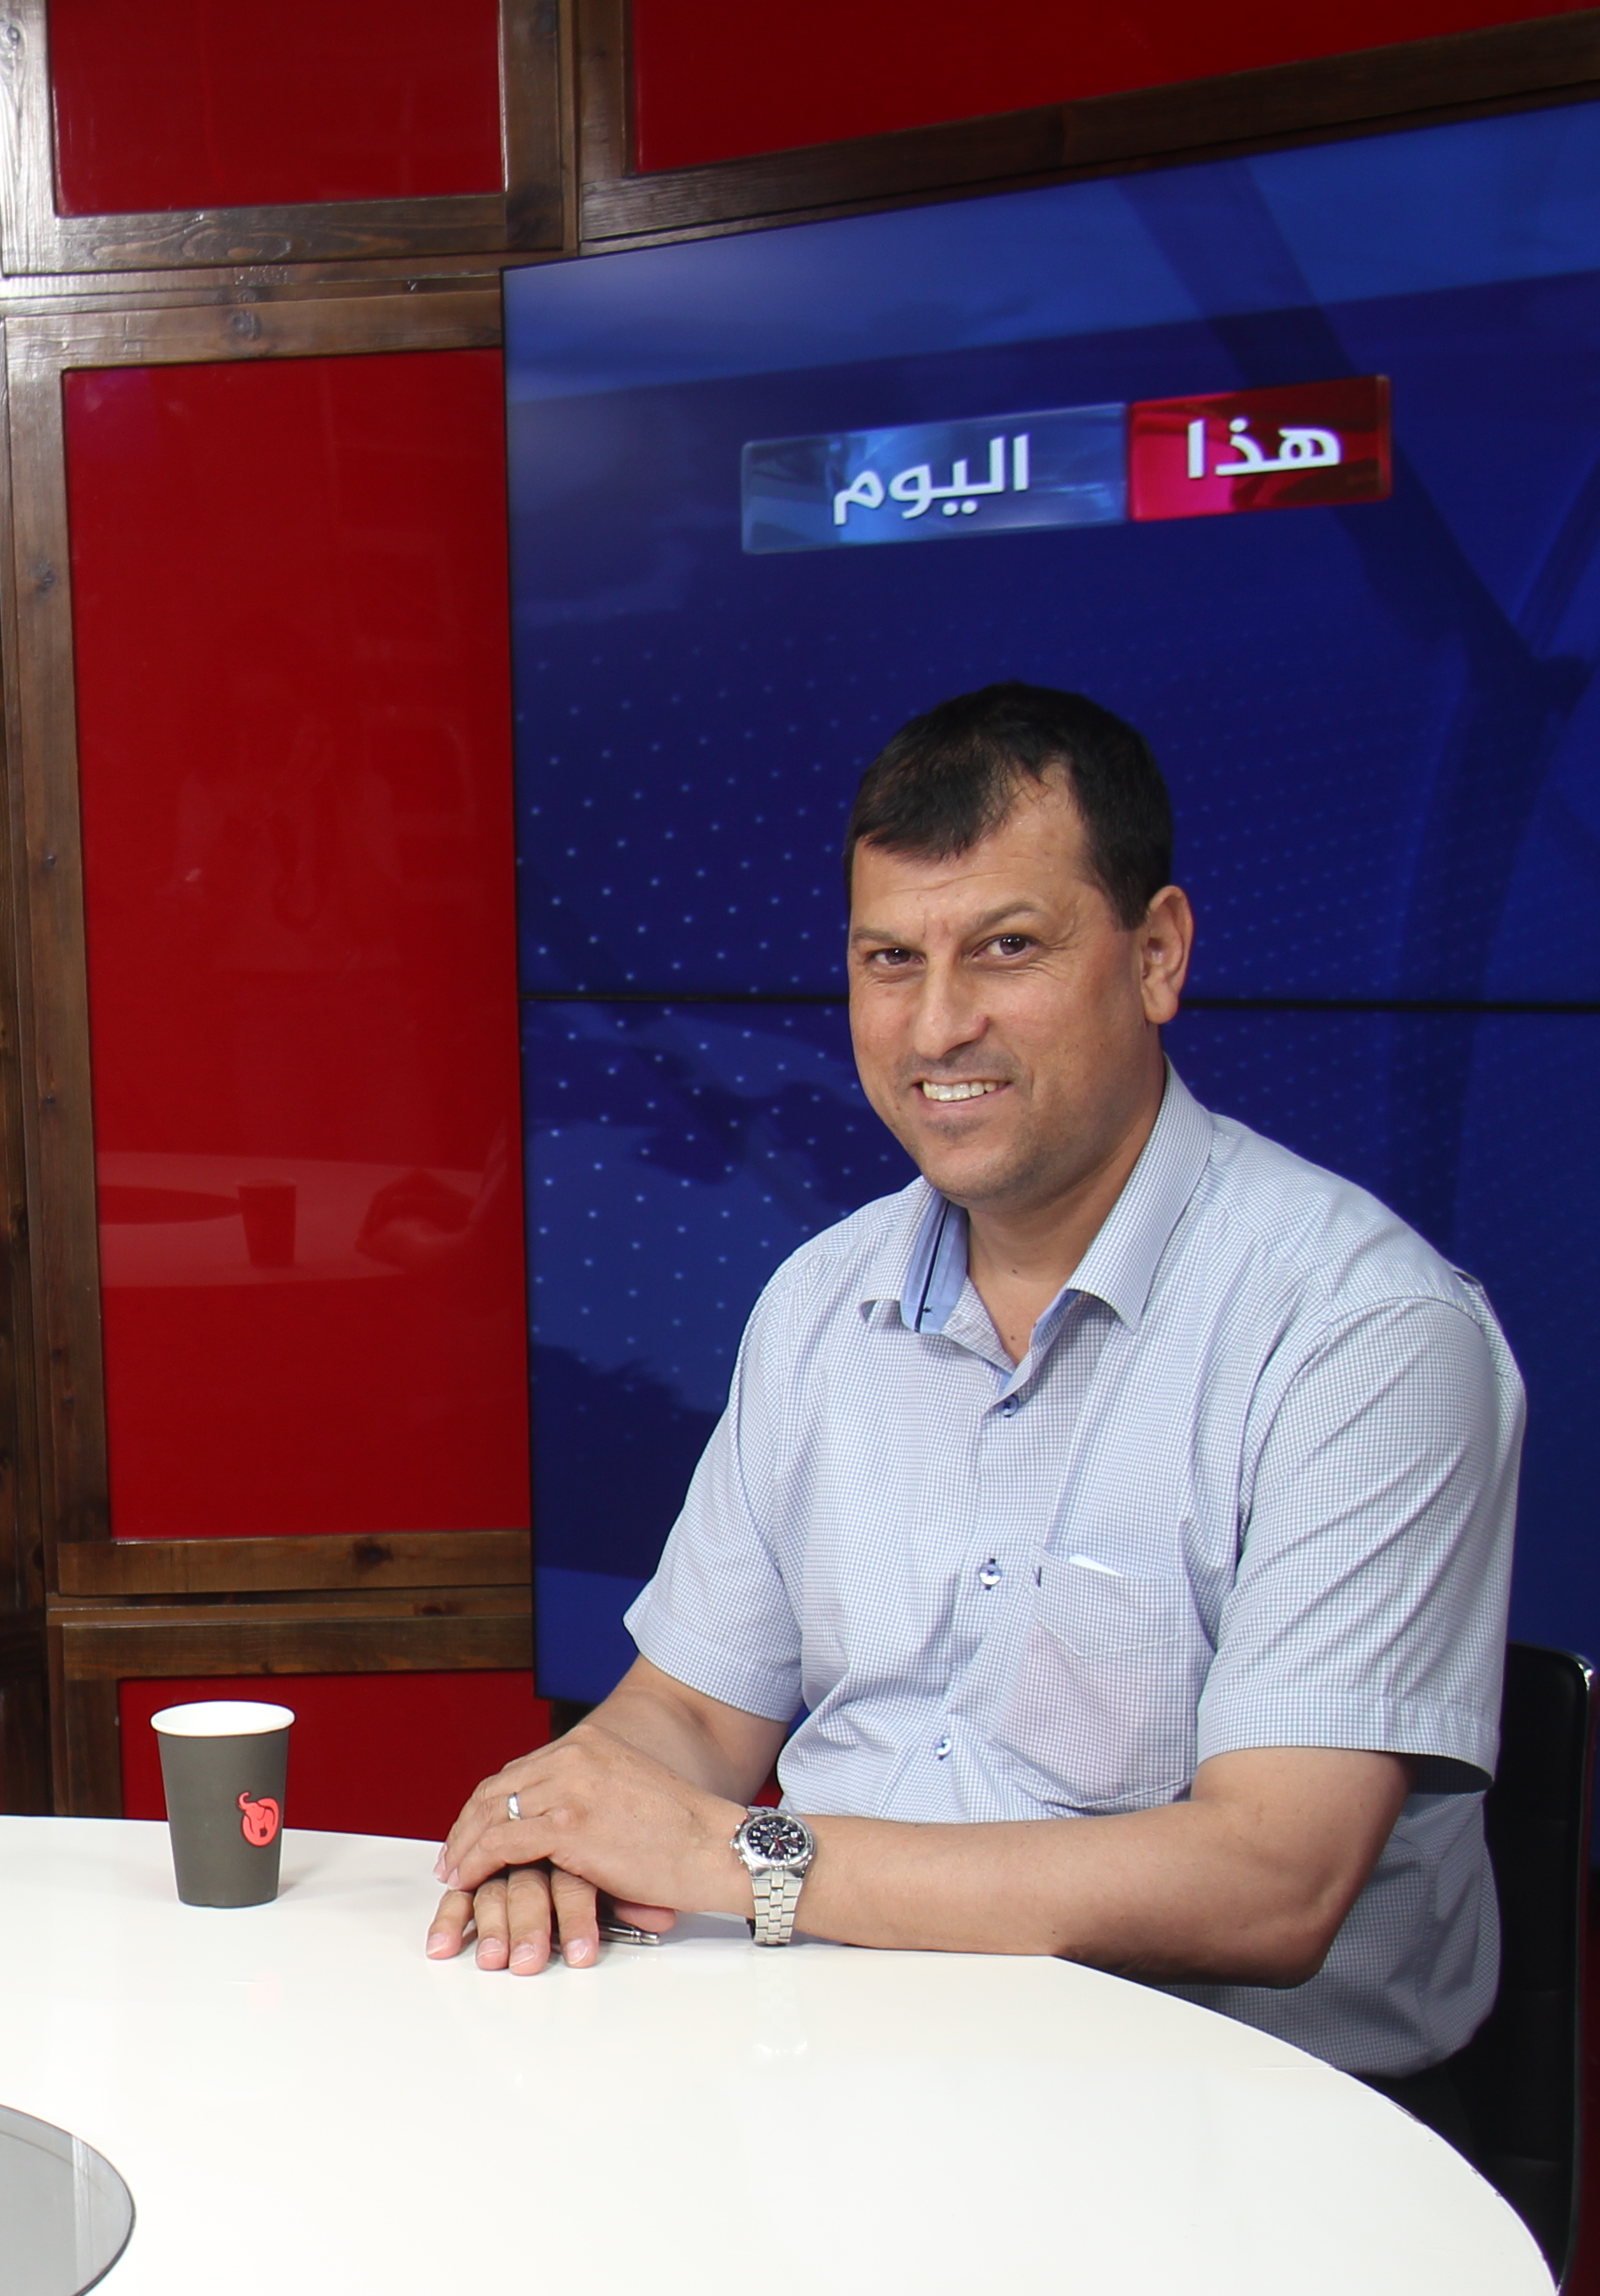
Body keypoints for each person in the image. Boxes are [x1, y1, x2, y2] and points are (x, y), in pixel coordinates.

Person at [429, 684, 1523, 2088]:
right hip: (833, 2068)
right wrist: (561, 1822)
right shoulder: (820, 1301)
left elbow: (1272, 1880)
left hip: (1224, 2121)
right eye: (891, 959)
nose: (938, 1025)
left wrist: (741, 1858)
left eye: (1006, 948)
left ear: (1157, 955)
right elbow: (691, 1716)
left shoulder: (1364, 1333)